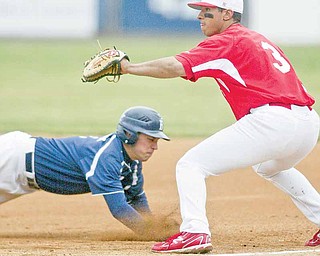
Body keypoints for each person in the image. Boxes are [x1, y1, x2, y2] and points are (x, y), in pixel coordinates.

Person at [119, 0, 320, 253]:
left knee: (191, 164)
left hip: (274, 121)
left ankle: (195, 232)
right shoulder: (257, 38)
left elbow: (175, 66)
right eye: (200, 11)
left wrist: (128, 67)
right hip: (307, 123)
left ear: (227, 14)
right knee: (269, 167)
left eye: (207, 11)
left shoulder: (227, 40)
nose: (200, 16)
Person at [0, 106, 172, 236]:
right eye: (150, 139)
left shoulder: (131, 163)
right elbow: (120, 209)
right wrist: (152, 234)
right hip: (12, 157)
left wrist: (153, 225)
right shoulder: (108, 157)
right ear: (129, 134)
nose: (155, 147)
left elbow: (135, 198)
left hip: (22, 181)